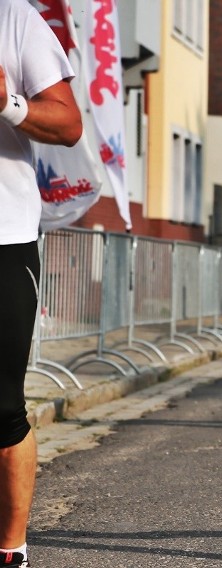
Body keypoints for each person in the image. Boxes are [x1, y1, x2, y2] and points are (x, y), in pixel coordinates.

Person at [1, 3, 83, 567]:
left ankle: (11, 549)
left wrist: (8, 104)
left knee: (1, 405)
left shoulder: (14, 18)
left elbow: (68, 122)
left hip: (2, 238)